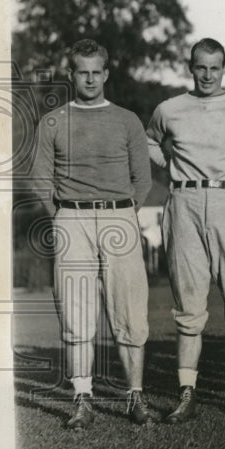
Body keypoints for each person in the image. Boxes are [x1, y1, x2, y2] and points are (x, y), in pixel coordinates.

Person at [31, 39, 160, 428]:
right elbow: (41, 179)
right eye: (81, 72)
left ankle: (134, 398)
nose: (89, 79)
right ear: (71, 75)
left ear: (106, 74)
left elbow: (144, 179)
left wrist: (121, 213)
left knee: (130, 312)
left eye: (95, 72)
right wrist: (64, 216)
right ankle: (82, 400)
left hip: (120, 217)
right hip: (71, 220)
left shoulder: (126, 120)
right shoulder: (53, 121)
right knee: (76, 312)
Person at [146, 38, 225, 422]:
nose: (207, 75)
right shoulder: (170, 108)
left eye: (214, 67)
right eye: (200, 67)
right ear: (191, 67)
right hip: (183, 204)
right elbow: (149, 140)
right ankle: (187, 394)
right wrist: (167, 166)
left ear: (224, 68)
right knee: (189, 306)